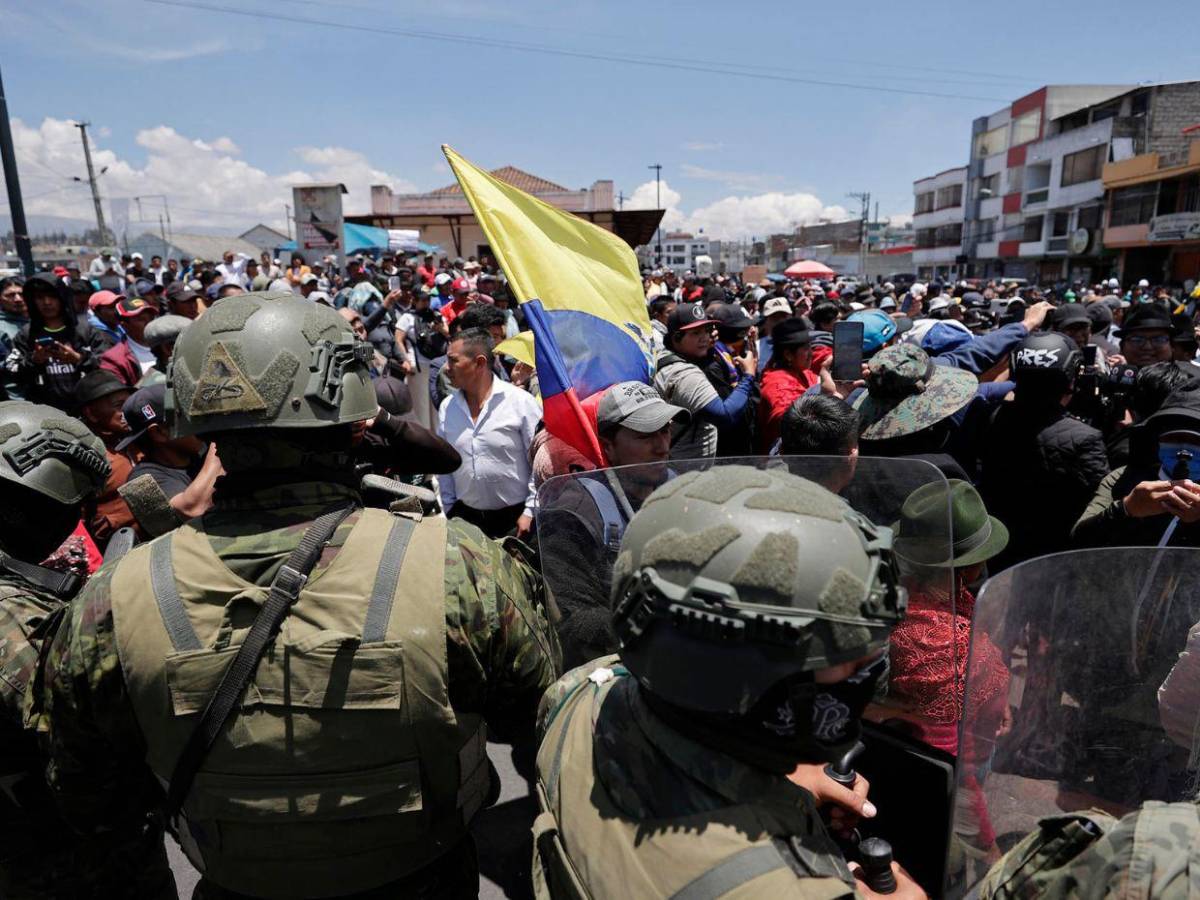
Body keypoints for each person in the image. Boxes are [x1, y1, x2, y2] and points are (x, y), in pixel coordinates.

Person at [36, 290, 561, 899]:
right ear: (350, 408)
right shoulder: (456, 562)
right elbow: (535, 716)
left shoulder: (113, 595)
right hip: (421, 875)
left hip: (234, 883)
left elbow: (85, 785)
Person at [533, 465, 913, 899]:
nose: (871, 668)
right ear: (742, 676)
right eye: (847, 656)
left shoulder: (580, 693)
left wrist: (773, 779)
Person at [0, 400, 176, 897]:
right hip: (72, 866)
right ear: (19, 505)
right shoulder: (13, 617)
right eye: (67, 508)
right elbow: (86, 731)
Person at [886, 480, 1011, 863]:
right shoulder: (942, 643)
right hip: (948, 776)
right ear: (972, 566)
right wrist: (986, 845)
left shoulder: (900, 592)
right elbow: (948, 763)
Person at [536, 380, 688, 668]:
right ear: (608, 446)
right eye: (646, 435)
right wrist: (659, 622)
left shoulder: (682, 489)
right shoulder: (574, 515)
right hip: (616, 672)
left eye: (666, 430)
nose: (662, 446)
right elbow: (574, 621)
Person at [977, 332, 1109, 570]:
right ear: (1071, 378)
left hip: (994, 547)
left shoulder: (989, 417)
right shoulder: (1084, 438)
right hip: (1051, 559)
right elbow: (1097, 504)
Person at [438, 327, 541, 539]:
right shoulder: (448, 407)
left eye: (453, 361)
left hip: (516, 523)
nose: (446, 368)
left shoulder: (520, 403)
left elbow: (540, 463)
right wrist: (449, 508)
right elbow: (444, 462)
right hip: (466, 522)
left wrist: (530, 511)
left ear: (480, 363)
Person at [1074, 379, 1200, 548]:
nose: (1184, 450)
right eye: (1174, 438)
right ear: (1157, 440)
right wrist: (1126, 509)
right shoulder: (1122, 478)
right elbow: (1079, 540)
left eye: (1197, 441)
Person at [654, 301, 756, 460]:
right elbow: (726, 416)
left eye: (706, 330)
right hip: (686, 466)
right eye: (695, 333)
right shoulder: (684, 375)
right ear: (676, 337)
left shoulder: (667, 354)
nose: (704, 338)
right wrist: (748, 376)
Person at [117, 383, 222, 534]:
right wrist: (221, 443)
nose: (201, 423)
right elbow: (194, 509)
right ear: (159, 432)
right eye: (189, 416)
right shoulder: (142, 479)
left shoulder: (202, 455)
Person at [11, 277, 100, 413]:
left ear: (62, 297)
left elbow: (107, 366)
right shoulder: (26, 334)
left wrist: (79, 359)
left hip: (87, 409)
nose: (47, 302)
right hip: (45, 413)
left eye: (52, 297)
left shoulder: (85, 330)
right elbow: (12, 372)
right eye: (40, 298)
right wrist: (34, 360)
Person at [74, 370, 142, 543]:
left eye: (129, 403)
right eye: (118, 405)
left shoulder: (145, 434)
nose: (127, 410)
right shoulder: (83, 457)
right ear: (90, 413)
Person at [760, 318, 819, 450]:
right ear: (788, 355)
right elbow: (792, 421)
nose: (811, 353)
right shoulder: (777, 384)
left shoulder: (801, 372)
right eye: (805, 348)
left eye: (810, 346)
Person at [98, 294, 159, 387]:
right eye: (141, 319)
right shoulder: (115, 359)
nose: (149, 323)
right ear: (125, 325)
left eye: (151, 318)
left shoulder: (168, 345)